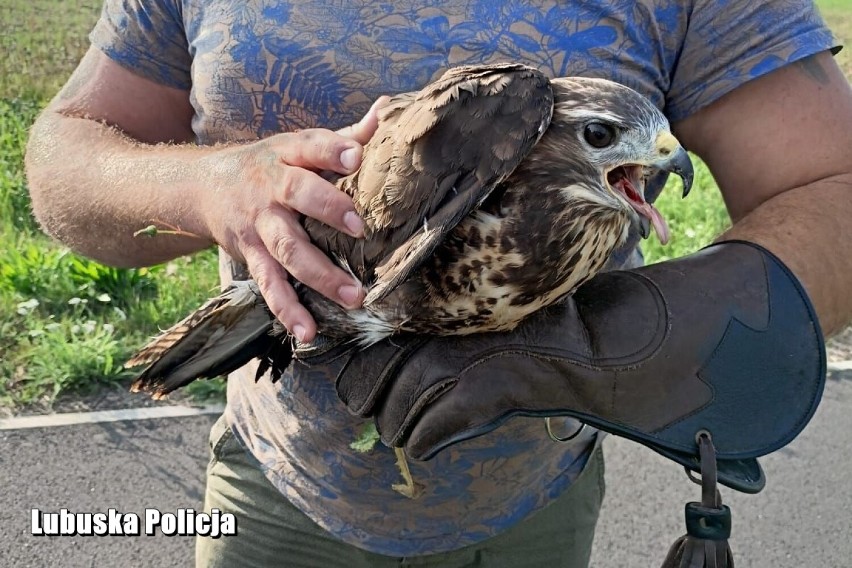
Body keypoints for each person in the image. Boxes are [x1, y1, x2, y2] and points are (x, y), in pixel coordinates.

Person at [24, 1, 851, 566]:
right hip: (272, 491)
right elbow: (61, 155)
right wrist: (208, 186)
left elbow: (834, 183)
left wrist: (635, 335)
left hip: (535, 505)